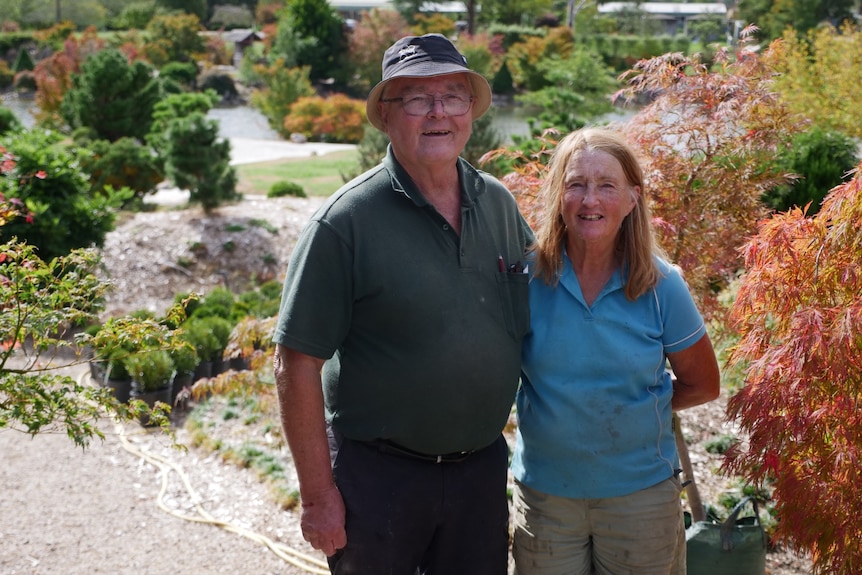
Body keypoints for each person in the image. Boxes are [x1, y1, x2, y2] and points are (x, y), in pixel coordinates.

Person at [272, 33, 532, 575]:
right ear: (387, 116)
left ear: (471, 111)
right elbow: (296, 363)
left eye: (453, 96)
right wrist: (318, 497)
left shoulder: (499, 204)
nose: (438, 113)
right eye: (417, 98)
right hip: (378, 479)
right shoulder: (344, 224)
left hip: (479, 474)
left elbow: (553, 299)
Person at [511, 127, 721, 575]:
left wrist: (640, 408)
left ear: (632, 199)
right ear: (557, 194)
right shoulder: (525, 280)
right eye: (576, 184)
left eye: (607, 185)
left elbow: (703, 384)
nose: (591, 200)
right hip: (546, 500)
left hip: (640, 501)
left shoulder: (662, 286)